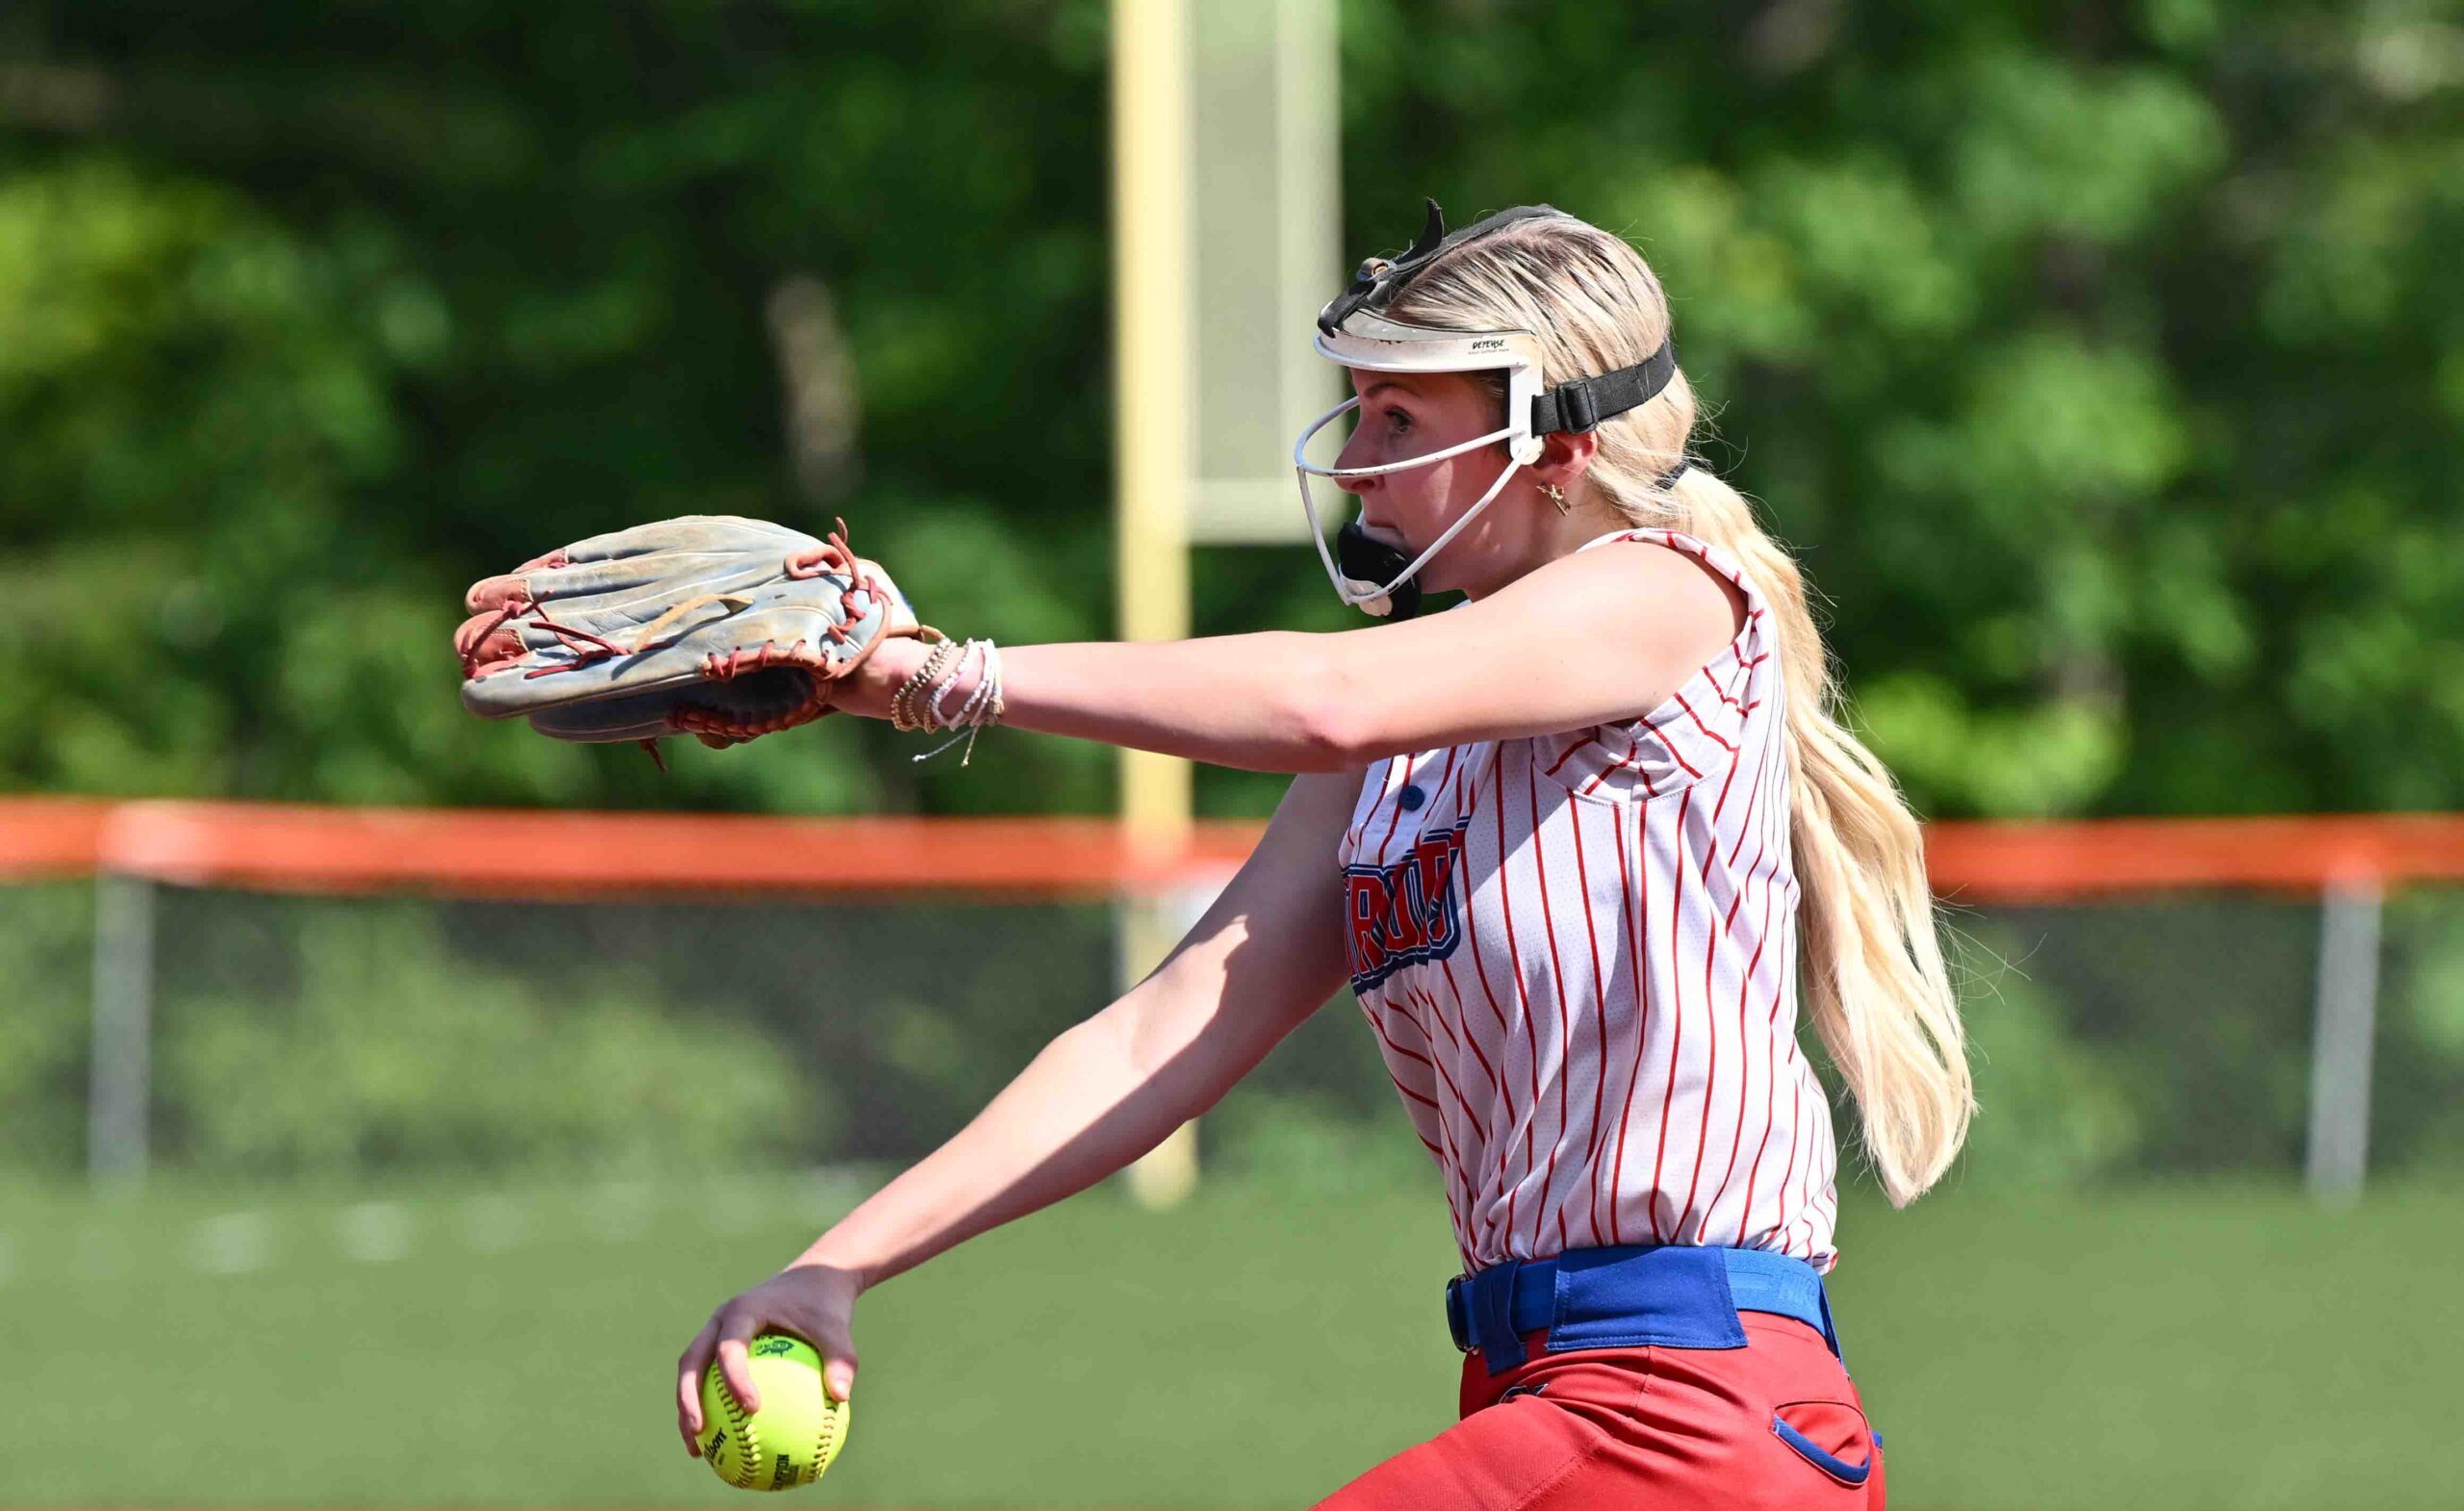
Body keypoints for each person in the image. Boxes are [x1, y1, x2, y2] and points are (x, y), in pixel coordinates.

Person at [672, 202, 1972, 1509]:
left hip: (1679, 1406)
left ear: (1559, 446)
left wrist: (941, 677)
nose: (1355, 460)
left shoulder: (1667, 594)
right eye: (1359, 411)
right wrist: (838, 1265)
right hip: (1553, 1396)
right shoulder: (1400, 756)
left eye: (1400, 419)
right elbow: (1159, 1037)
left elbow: (1324, 699)